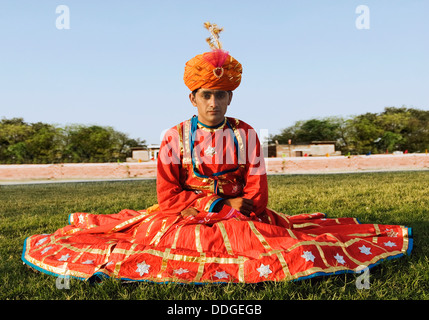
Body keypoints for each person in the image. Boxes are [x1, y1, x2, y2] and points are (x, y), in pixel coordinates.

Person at [22, 23, 412, 284]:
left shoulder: (246, 134)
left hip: (243, 208)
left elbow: (257, 186)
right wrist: (210, 205)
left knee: (291, 248)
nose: (213, 102)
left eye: (220, 94)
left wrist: (239, 206)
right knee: (168, 243)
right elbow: (168, 194)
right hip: (187, 212)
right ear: (193, 97)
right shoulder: (174, 137)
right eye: (206, 95)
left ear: (230, 96)